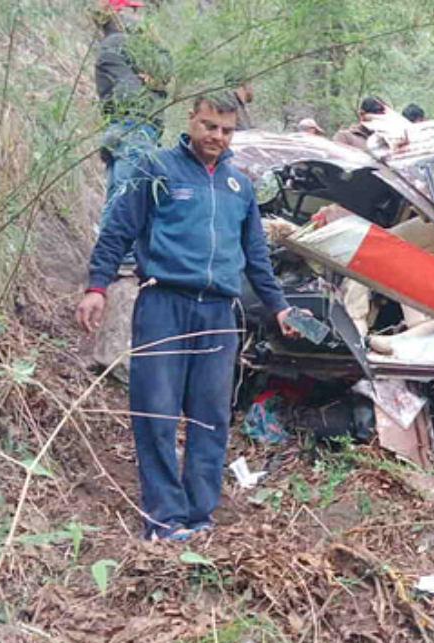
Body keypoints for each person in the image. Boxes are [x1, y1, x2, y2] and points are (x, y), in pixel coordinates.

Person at [76, 94, 302, 541]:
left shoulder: (239, 186)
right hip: (164, 303)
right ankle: (163, 519)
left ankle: (199, 517)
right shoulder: (157, 169)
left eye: (226, 130)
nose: (217, 136)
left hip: (218, 312)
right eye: (209, 126)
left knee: (210, 416)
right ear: (191, 120)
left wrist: (279, 306)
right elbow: (118, 230)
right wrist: (97, 287)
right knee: (156, 412)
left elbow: (256, 256)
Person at [94, 0, 172, 246]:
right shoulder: (122, 43)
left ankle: (110, 255)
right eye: (133, 9)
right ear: (118, 13)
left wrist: (154, 80)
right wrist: (156, 85)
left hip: (123, 130)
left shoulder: (113, 44)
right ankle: (120, 254)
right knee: (130, 195)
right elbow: (162, 71)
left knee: (120, 194)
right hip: (134, 129)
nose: (139, 16)